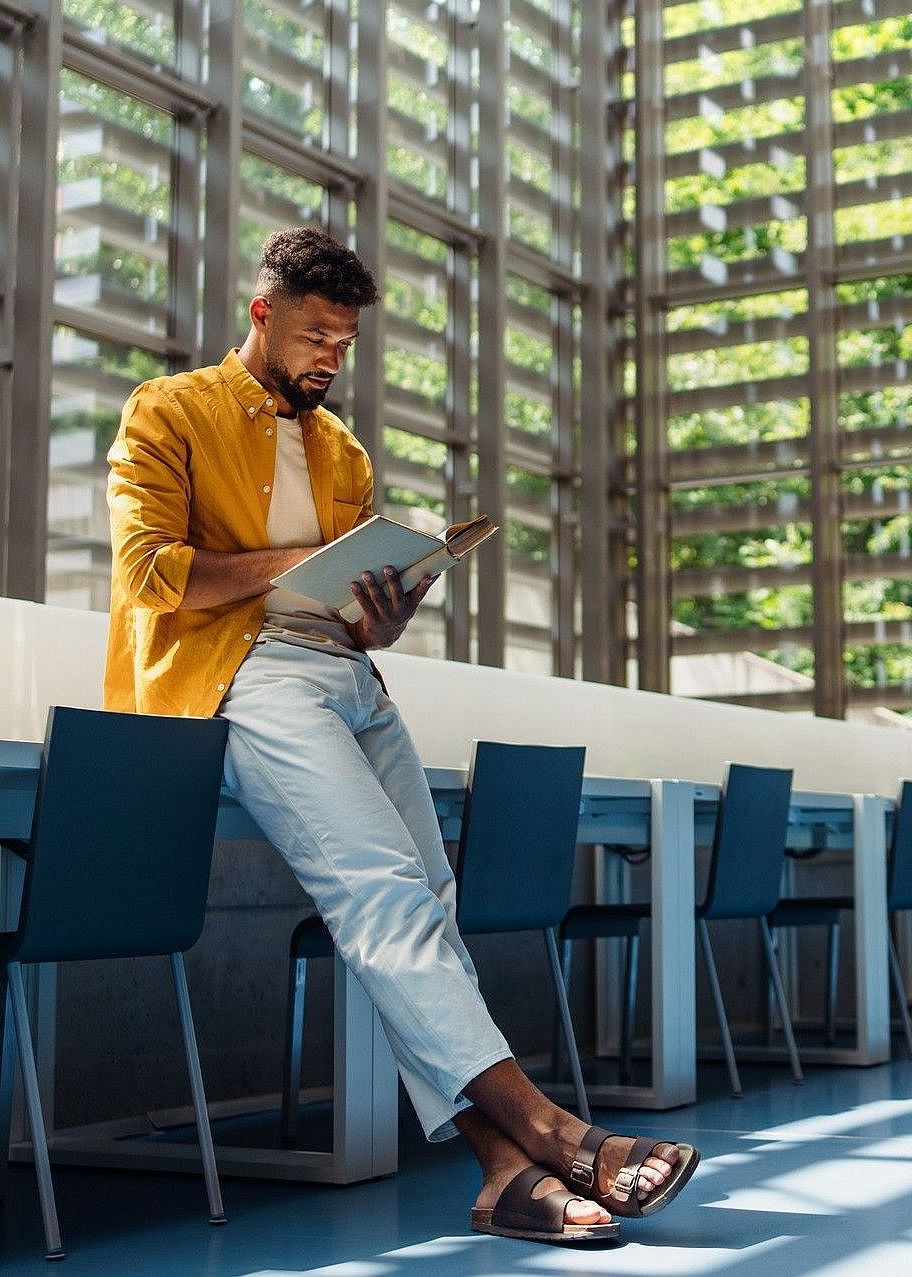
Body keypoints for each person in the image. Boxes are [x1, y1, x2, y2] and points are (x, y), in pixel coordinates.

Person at [104, 226, 698, 1245]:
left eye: (344, 339)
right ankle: (554, 1130)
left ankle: (502, 1171)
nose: (329, 356)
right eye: (314, 333)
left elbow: (356, 612)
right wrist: (302, 556)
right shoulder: (171, 409)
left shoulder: (343, 451)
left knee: (425, 900)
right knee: (379, 892)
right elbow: (149, 572)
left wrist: (383, 605)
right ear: (264, 313)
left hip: (353, 676)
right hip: (246, 675)